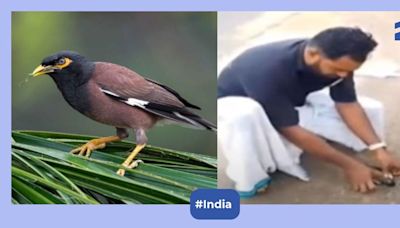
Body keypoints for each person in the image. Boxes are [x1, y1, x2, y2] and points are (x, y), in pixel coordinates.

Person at [218, 27, 400, 193]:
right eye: (338, 70)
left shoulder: (335, 59)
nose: (344, 75)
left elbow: (347, 104)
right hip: (237, 105)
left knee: (371, 108)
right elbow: (291, 130)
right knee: (246, 117)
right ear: (313, 55)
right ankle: (251, 178)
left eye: (349, 71)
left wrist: (379, 149)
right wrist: (351, 166)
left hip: (287, 98)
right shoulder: (266, 71)